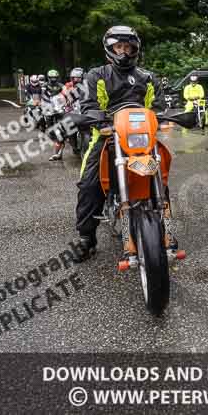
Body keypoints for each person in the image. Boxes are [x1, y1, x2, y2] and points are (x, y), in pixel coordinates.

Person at [75, 26, 164, 258]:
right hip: (106, 136)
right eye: (119, 47)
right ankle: (86, 238)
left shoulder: (147, 77)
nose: (123, 52)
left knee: (160, 177)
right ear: (110, 49)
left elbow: (158, 106)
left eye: (128, 47)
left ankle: (164, 229)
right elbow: (88, 104)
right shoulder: (97, 75)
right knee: (89, 184)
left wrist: (167, 116)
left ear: (135, 49)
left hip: (142, 137)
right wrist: (96, 119)